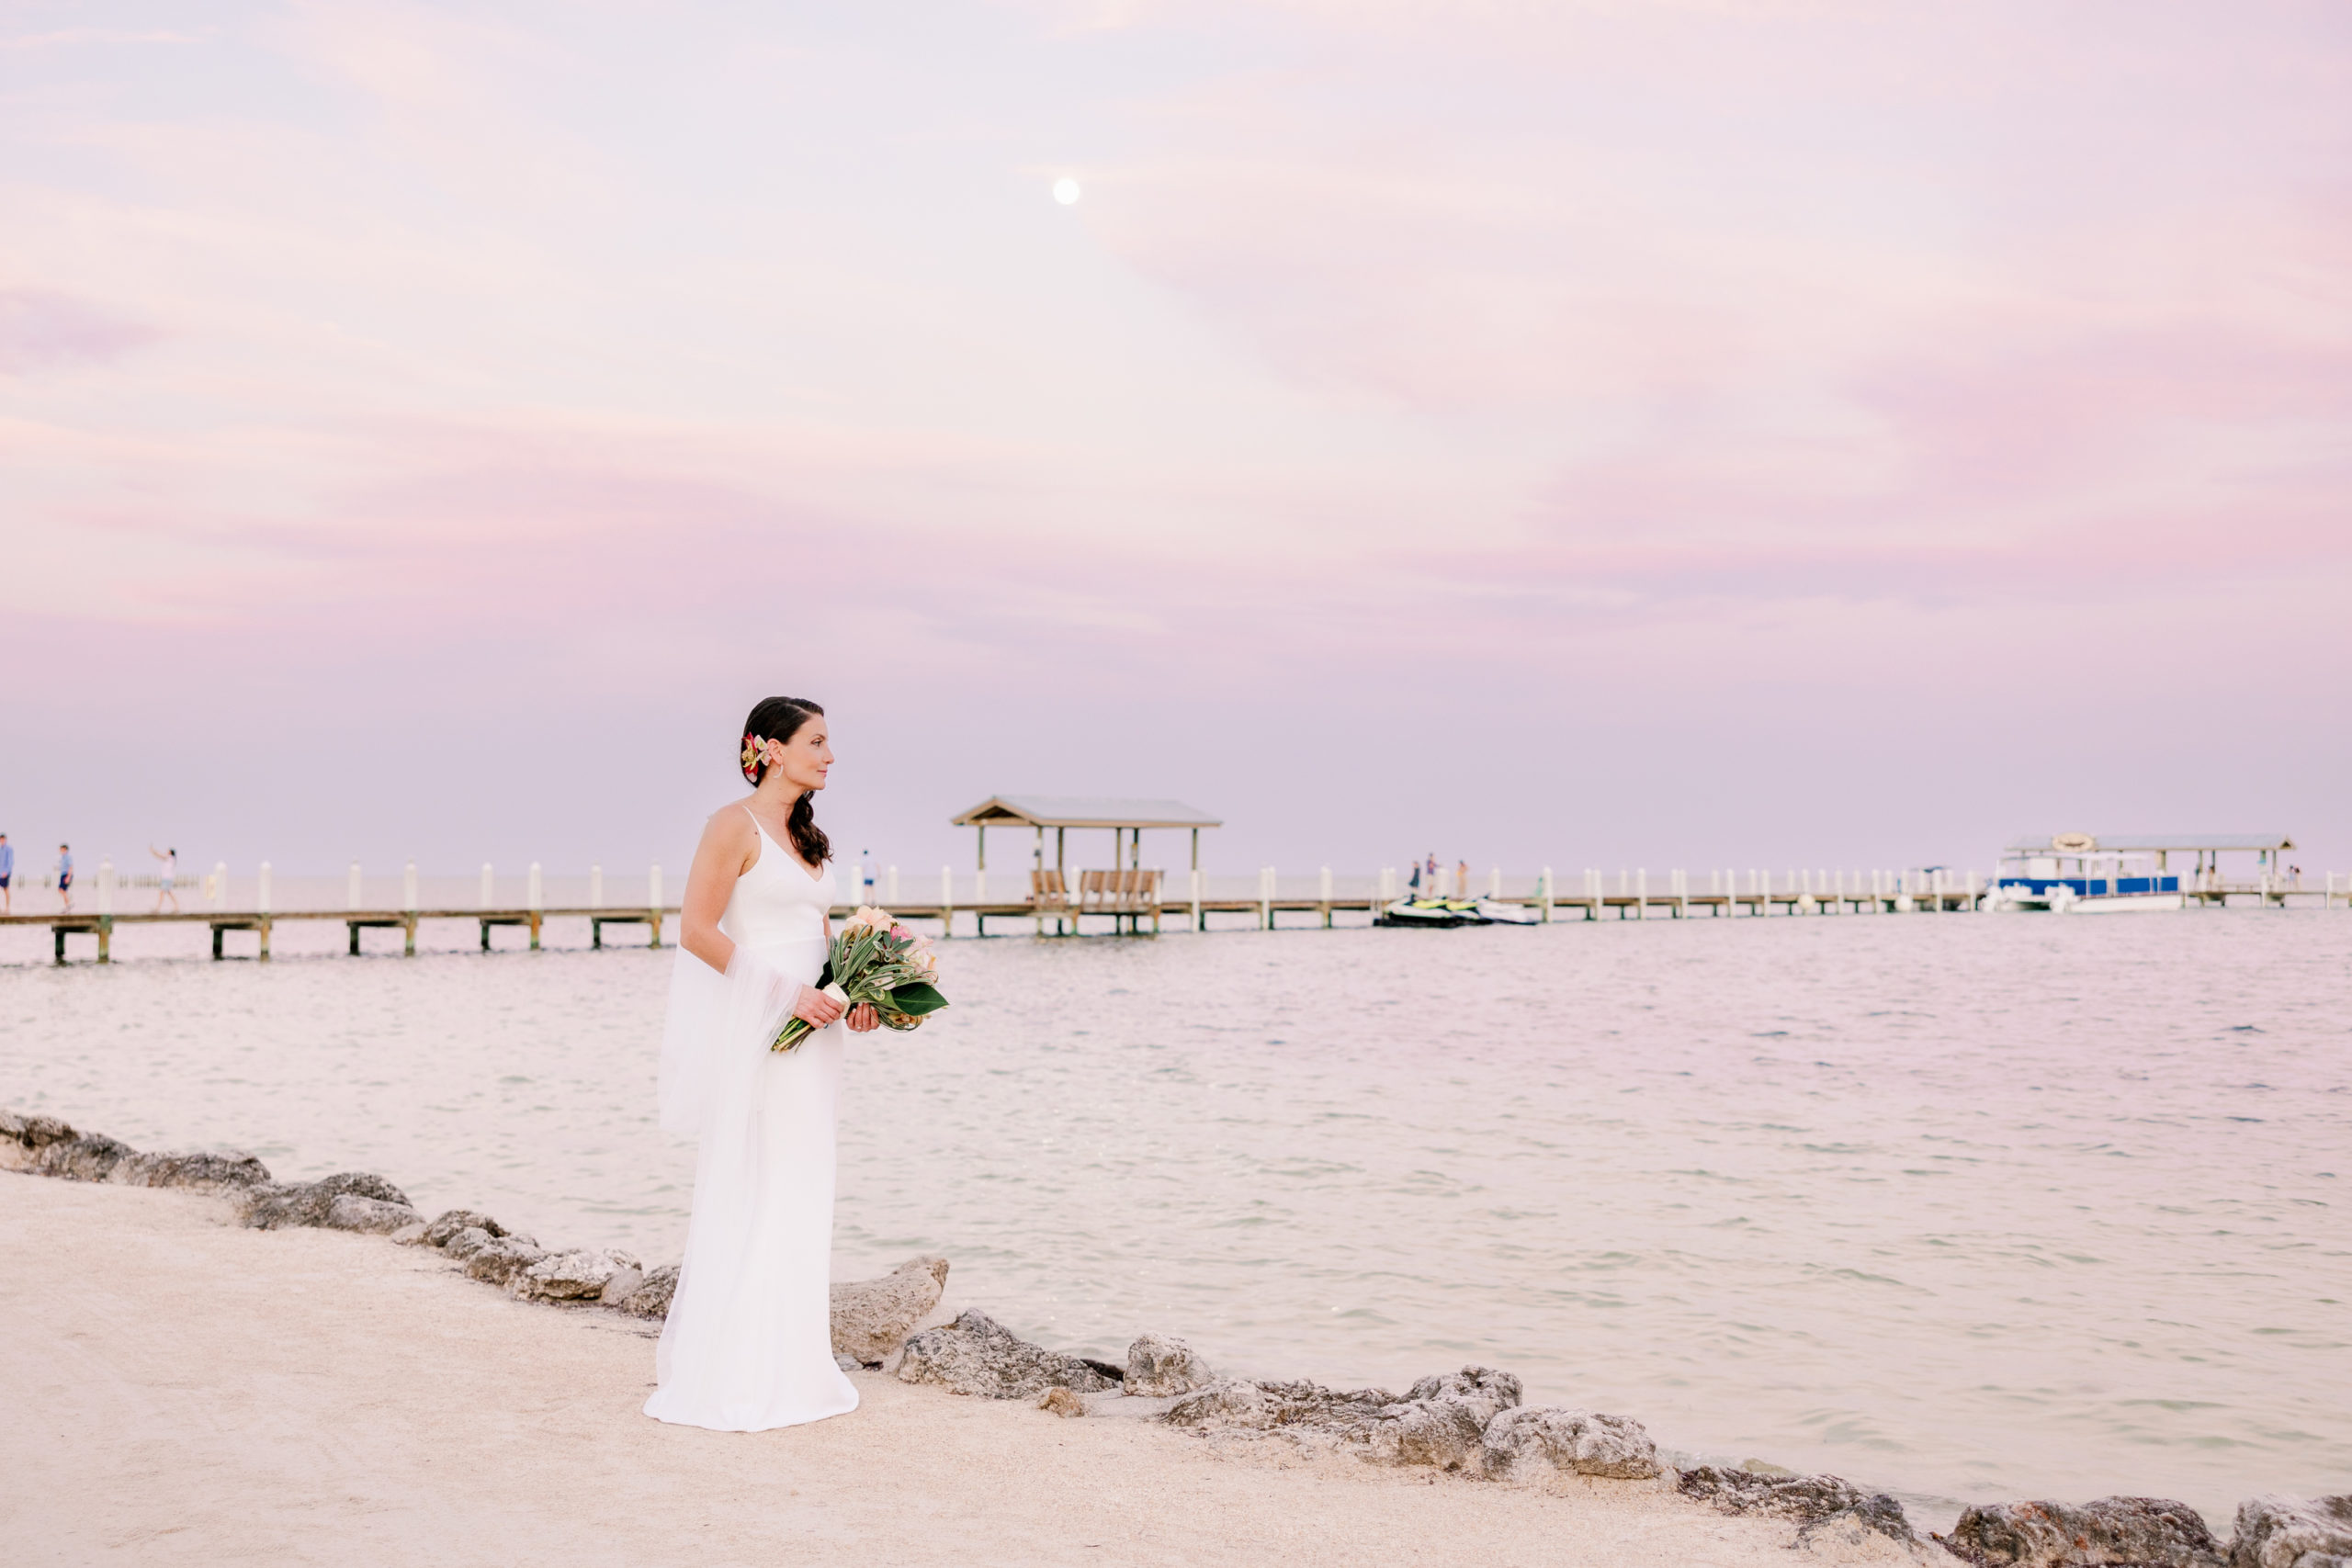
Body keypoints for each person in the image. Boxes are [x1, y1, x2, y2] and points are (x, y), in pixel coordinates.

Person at [645, 695, 877, 1433]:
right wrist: (788, 995)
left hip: (816, 1029)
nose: (829, 754)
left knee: (807, 1179)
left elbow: (822, 936)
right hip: (764, 1025)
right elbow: (695, 931)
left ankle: (797, 1362)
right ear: (770, 747)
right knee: (765, 1177)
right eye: (816, 740)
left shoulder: (807, 836)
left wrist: (861, 991)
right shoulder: (732, 825)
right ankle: (743, 1369)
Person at [150, 844, 179, 913]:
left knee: (162, 893)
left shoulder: (170, 858)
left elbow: (160, 856)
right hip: (167, 878)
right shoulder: (172, 859)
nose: (167, 852)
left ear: (170, 853)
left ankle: (158, 908)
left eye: (168, 851)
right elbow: (161, 857)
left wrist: (153, 851)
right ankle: (176, 906)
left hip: (167, 878)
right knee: (168, 893)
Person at [56, 843, 73, 913]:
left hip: (66, 875)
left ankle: (69, 902)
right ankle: (67, 905)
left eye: (61, 849)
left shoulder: (68, 857)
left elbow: (71, 867)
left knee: (61, 889)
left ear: (65, 849)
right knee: (62, 890)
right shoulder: (62, 857)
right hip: (63, 874)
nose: (60, 851)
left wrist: (68, 877)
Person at [0, 833, 12, 914]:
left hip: (5, 873)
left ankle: (7, 908)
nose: (2, 841)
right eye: (1, 839)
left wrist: (6, 872)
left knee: (6, 889)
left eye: (3, 839)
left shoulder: (9, 849)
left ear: (5, 840)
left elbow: (10, 861)